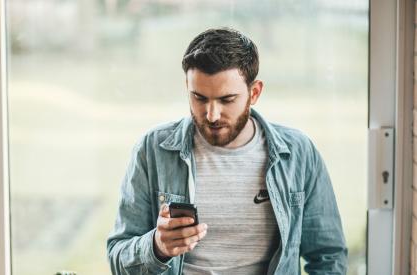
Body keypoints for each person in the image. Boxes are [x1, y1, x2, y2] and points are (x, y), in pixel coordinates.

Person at [107, 28, 347, 275]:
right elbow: (118, 256)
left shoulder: (299, 153)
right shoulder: (152, 150)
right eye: (199, 98)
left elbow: (328, 257)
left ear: (254, 93)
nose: (211, 115)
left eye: (226, 100)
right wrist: (157, 247)